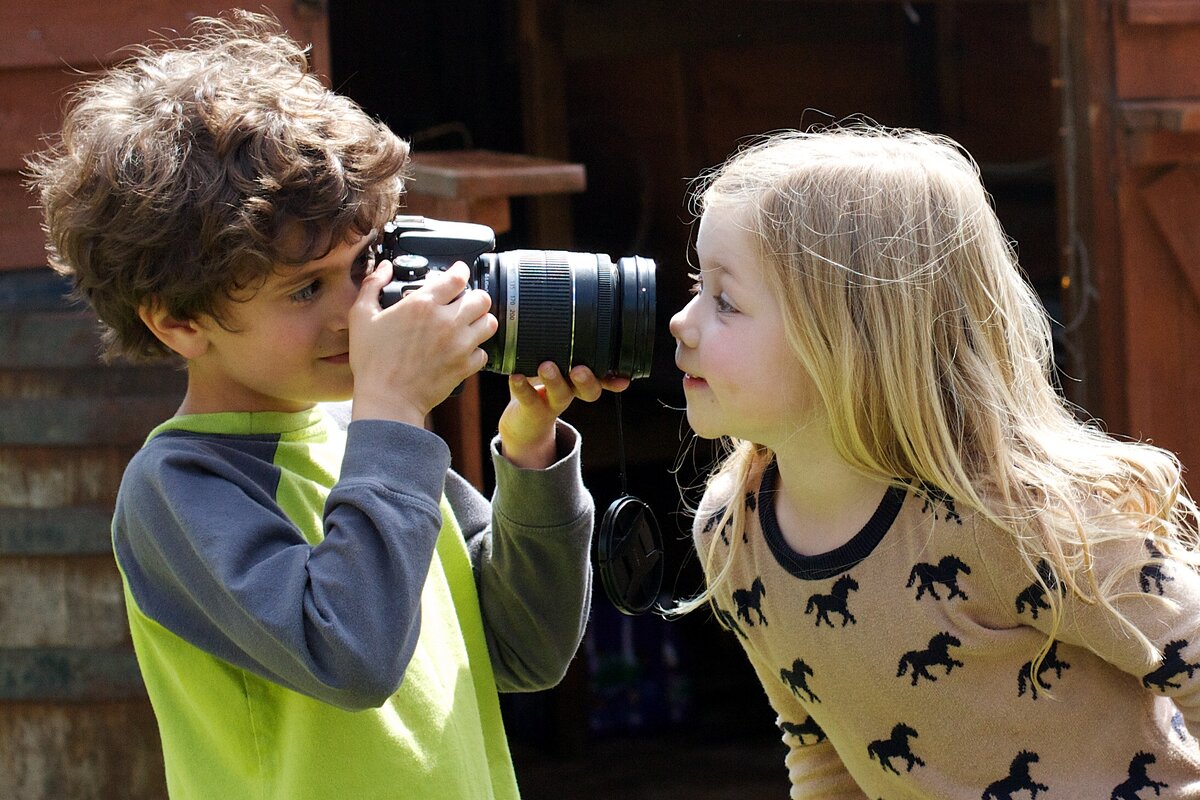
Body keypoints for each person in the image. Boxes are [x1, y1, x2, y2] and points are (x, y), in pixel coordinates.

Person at [25, 11, 626, 799]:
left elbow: (528, 649)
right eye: (305, 288)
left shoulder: (371, 443)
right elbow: (351, 657)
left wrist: (530, 450)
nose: (357, 312)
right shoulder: (179, 492)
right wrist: (391, 414)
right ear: (178, 320)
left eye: (365, 265)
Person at [668, 125, 1200, 797]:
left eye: (725, 300)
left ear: (850, 338)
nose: (681, 322)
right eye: (697, 287)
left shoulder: (1017, 520)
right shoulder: (733, 533)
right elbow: (822, 756)